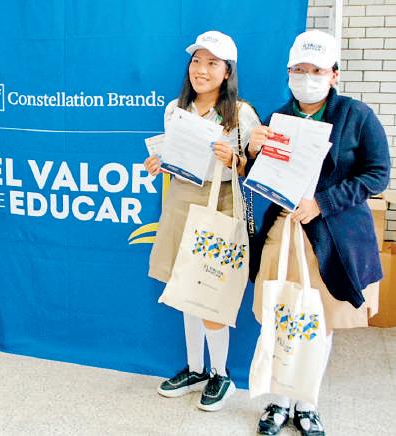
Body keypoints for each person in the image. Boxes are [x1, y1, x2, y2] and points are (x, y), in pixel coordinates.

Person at [247, 30, 391, 436]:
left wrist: (323, 203)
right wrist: (253, 152)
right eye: (298, 70)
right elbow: (261, 178)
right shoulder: (277, 119)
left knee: (317, 321)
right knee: (282, 314)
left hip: (333, 236)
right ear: (288, 72)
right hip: (284, 232)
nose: (306, 78)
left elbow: (377, 174)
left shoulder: (356, 115)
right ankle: (278, 401)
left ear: (334, 75)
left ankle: (307, 404)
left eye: (316, 70)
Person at [144, 31, 260, 411]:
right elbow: (176, 158)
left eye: (212, 63)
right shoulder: (174, 109)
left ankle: (220, 374)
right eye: (196, 61)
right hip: (180, 199)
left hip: (219, 202)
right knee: (184, 289)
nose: (201, 70)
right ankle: (196, 369)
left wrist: (234, 160)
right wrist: (159, 162)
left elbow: (253, 170)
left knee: (210, 291)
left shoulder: (241, 113)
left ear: (227, 72)